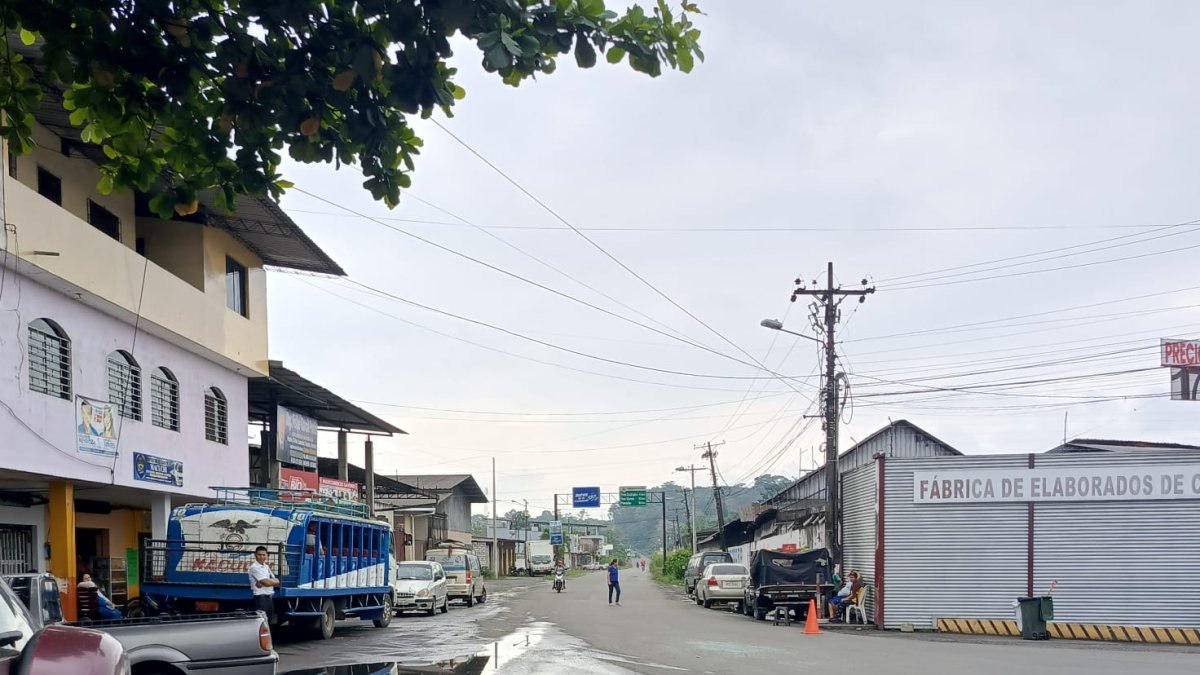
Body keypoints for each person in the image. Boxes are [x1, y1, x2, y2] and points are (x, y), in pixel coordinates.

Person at [248, 546, 280, 621]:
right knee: (262, 622)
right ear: (255, 555)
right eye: (259, 555)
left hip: (269, 598)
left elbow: (277, 582)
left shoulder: (266, 566)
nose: (261, 557)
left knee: (269, 622)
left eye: (263, 555)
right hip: (260, 599)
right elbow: (267, 582)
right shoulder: (254, 567)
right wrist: (271, 582)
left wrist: (271, 581)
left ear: (267, 555)